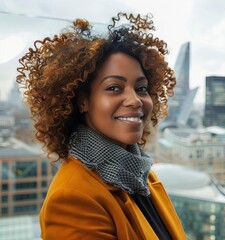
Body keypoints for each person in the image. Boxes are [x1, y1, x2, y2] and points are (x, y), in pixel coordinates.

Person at [17, 12, 187, 240]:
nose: (135, 100)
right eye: (114, 88)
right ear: (82, 101)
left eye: (141, 88)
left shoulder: (140, 175)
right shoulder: (72, 199)